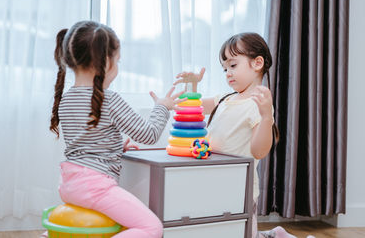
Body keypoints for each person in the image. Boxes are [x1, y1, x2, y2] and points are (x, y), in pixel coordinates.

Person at [43, 21, 185, 238]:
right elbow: (149, 134)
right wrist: (162, 107)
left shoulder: (66, 98)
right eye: (117, 61)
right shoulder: (108, 99)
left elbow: (87, 142)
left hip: (69, 185)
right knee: (152, 228)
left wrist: (117, 146)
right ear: (106, 62)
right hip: (94, 187)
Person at [174, 33, 312, 238]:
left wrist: (266, 117)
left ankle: (276, 236)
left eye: (233, 65)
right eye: (224, 68)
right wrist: (192, 86)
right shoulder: (225, 98)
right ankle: (272, 234)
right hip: (213, 180)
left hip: (239, 188)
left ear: (257, 63)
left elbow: (259, 150)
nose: (228, 73)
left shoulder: (258, 105)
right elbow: (191, 107)